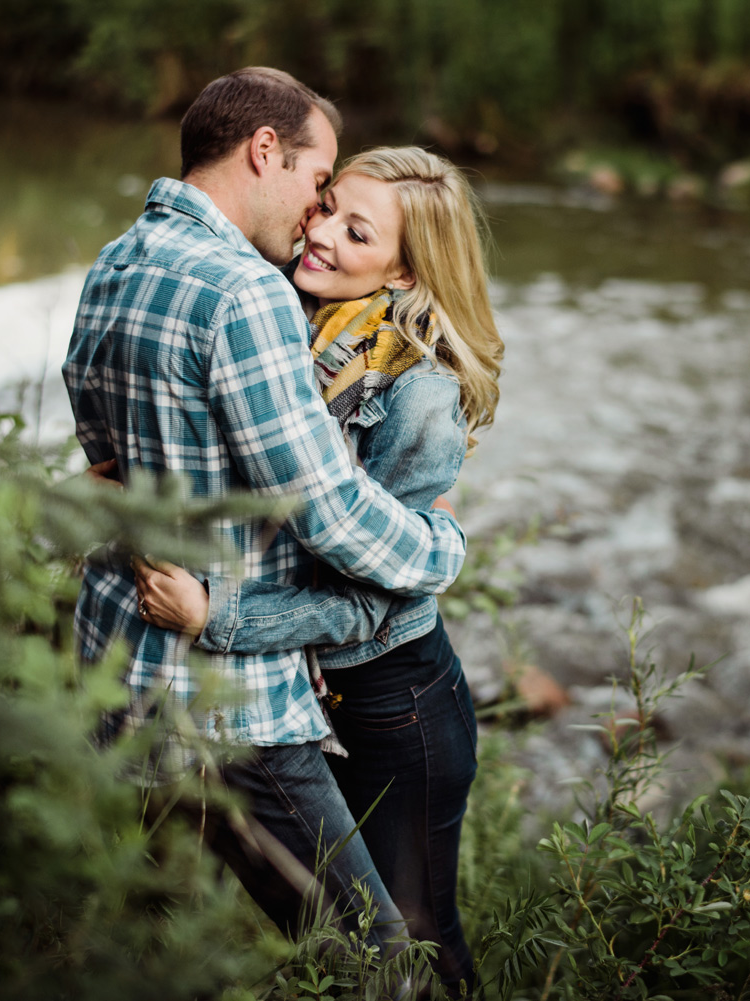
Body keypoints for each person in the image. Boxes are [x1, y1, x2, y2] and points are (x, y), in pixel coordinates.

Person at [61, 68, 468, 954]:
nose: (315, 216)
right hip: (231, 704)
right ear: (265, 152)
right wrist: (442, 553)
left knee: (156, 948)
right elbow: (323, 509)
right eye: (320, 186)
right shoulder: (247, 293)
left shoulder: (118, 259)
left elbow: (105, 452)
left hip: (119, 667)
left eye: (346, 217)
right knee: (377, 958)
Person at [134, 146, 503, 994]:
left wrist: (216, 618)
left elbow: (373, 605)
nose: (321, 233)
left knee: (415, 939)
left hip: (393, 703)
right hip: (309, 696)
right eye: (328, 204)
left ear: (407, 270)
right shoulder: (284, 315)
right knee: (338, 939)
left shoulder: (417, 392)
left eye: (356, 230)